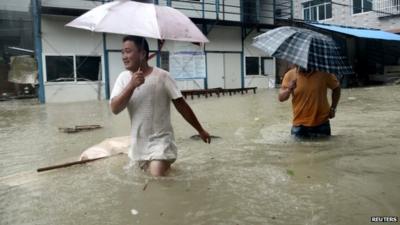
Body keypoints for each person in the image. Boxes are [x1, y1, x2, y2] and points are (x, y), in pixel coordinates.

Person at [110, 36, 211, 176]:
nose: (124, 56)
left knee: (156, 179)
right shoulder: (123, 78)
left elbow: (181, 105)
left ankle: (164, 166)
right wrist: (131, 86)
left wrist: (200, 130)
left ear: (143, 54)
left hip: (161, 142)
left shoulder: (163, 76)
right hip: (138, 144)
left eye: (128, 51)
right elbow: (115, 108)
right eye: (122, 52)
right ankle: (170, 170)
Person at [278, 66, 341, 138]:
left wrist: (333, 108)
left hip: (321, 124)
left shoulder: (324, 73)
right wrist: (289, 89)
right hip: (299, 125)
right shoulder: (290, 75)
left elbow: (336, 88)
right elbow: (281, 98)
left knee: (324, 149)